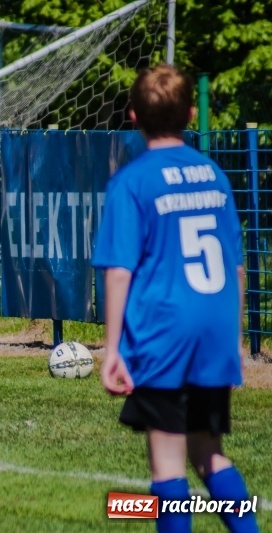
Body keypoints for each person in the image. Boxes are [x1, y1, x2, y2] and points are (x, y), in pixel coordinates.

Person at [93, 64, 258, 532]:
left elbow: (120, 270)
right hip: (213, 329)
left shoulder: (132, 181)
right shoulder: (213, 174)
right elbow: (237, 266)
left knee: (168, 466)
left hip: (164, 331)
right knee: (209, 454)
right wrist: (235, 335)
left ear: (132, 116)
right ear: (190, 113)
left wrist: (111, 350)